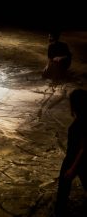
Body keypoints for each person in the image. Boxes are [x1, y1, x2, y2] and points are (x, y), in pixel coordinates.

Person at [54, 89, 87, 217]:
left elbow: (84, 147)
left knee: (63, 190)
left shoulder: (83, 121)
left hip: (76, 159)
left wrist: (73, 168)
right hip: (75, 158)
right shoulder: (82, 117)